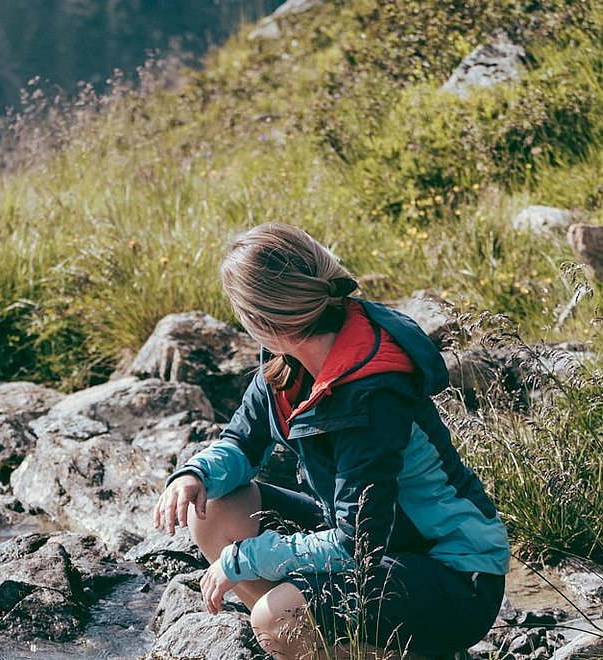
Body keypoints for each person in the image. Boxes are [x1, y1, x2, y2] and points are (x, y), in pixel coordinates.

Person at [152, 223, 509, 659]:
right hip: (375, 548)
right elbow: (243, 442)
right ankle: (341, 643)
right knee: (212, 509)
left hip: (453, 576)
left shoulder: (373, 392)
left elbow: (354, 544)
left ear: (263, 321)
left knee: (277, 619)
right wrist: (195, 473)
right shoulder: (287, 360)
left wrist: (242, 560)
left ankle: (397, 647)